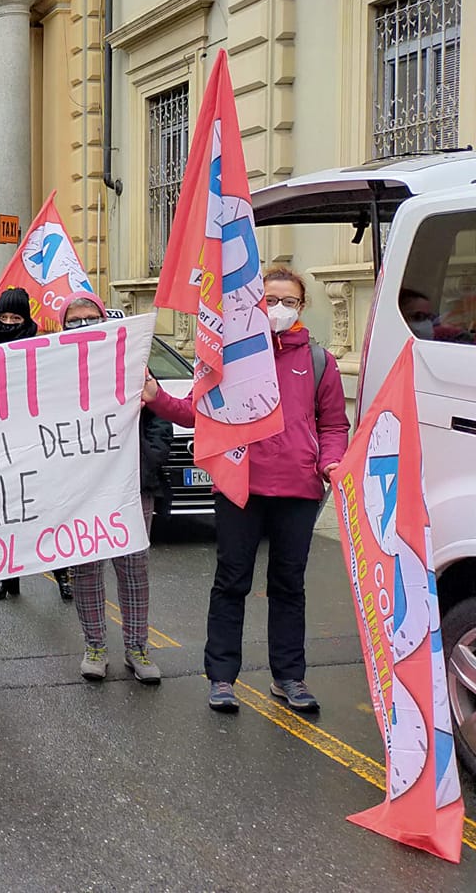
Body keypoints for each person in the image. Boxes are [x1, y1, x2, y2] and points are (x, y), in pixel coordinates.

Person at [145, 267, 349, 714]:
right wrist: (156, 396)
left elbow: (334, 424)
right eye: (270, 300)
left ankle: (289, 678)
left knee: (289, 586)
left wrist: (330, 461)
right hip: (240, 485)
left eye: (289, 301)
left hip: (298, 489)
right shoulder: (233, 358)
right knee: (231, 582)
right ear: (255, 304)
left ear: (301, 307)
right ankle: (221, 678)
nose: (279, 309)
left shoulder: (319, 362)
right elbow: (196, 412)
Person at [61, 296, 165, 685]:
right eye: (76, 320)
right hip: (81, 488)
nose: (85, 324)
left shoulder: (132, 363)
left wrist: (149, 458)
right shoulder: (54, 369)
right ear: (63, 326)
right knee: (86, 569)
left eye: (92, 318)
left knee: (133, 567)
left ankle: (138, 647)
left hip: (131, 483)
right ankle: (95, 647)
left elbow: (159, 416)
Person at [0, 288, 81, 602]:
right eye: (3, 317)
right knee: (3, 514)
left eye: (15, 317)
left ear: (26, 319)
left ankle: (63, 573)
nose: (8, 323)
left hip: (36, 444)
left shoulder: (42, 350)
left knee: (48, 512)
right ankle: (3, 575)